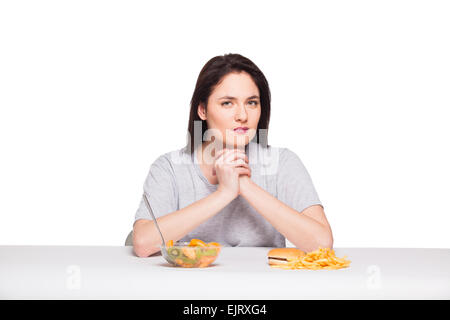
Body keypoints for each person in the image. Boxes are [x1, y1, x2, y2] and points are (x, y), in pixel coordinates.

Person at [132, 53, 333, 257]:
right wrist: (224, 193)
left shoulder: (282, 162)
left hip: (265, 284)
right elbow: (143, 244)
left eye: (252, 103)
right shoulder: (170, 167)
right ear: (202, 110)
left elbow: (322, 244)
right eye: (227, 103)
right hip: (192, 285)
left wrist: (244, 185)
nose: (243, 116)